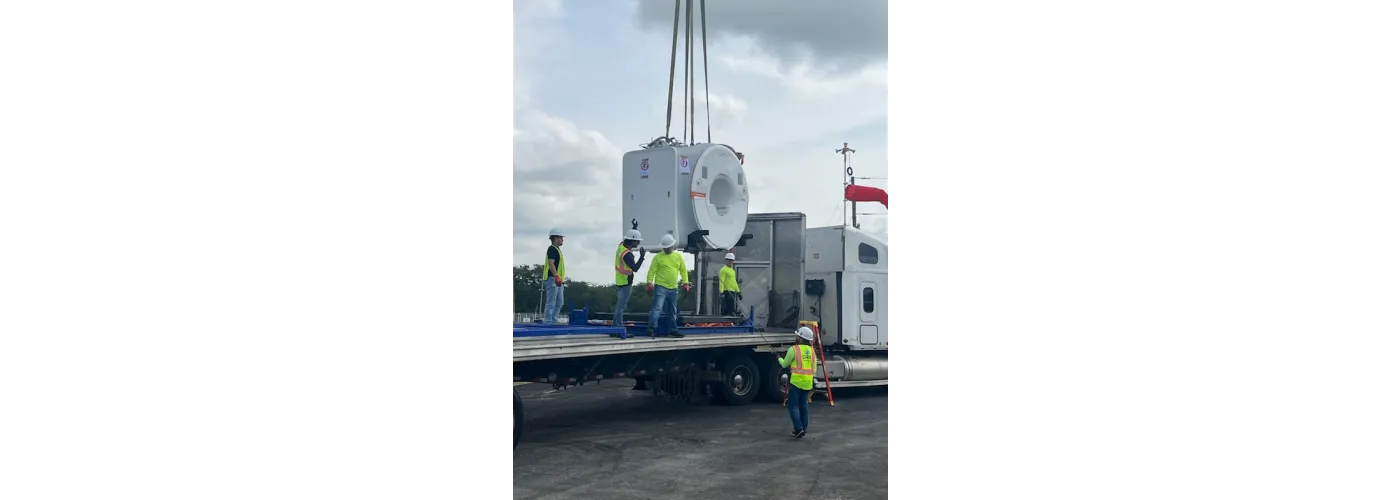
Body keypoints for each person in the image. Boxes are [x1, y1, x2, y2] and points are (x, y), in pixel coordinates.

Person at [646, 233, 689, 338]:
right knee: (657, 308)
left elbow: (683, 270)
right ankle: (651, 328)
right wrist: (649, 282)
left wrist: (686, 283)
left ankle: (673, 330)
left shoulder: (678, 257)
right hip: (661, 286)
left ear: (672, 246)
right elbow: (652, 270)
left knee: (672, 310)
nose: (666, 249)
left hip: (673, 288)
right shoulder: (658, 257)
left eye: (667, 247)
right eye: (664, 248)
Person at [778, 326, 818, 438]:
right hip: (807, 383)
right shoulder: (812, 351)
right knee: (803, 406)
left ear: (801, 338)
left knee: (793, 406)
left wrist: (778, 358)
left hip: (796, 382)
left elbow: (785, 364)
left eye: (797, 335)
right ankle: (803, 428)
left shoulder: (794, 349)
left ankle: (798, 428)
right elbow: (814, 369)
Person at [613, 229, 647, 327]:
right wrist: (642, 257)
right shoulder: (628, 255)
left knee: (619, 306)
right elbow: (635, 268)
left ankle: (616, 326)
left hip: (619, 281)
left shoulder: (621, 247)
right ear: (632, 242)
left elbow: (629, 237)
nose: (638, 243)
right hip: (626, 282)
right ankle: (618, 327)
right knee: (621, 307)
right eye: (637, 241)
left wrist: (634, 228)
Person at [541, 228, 566, 324]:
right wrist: (556, 276)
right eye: (561, 238)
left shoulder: (557, 250)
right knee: (551, 302)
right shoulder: (552, 249)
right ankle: (548, 321)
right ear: (555, 238)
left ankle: (553, 320)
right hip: (552, 278)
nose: (562, 240)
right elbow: (551, 263)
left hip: (558, 280)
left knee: (559, 302)